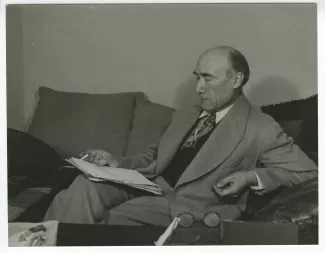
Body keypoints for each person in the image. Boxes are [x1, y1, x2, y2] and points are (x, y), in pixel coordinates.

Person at [44, 46, 317, 226]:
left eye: (208, 78)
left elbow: (308, 174)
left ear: (236, 80)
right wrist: (116, 162)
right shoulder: (190, 111)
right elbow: (155, 156)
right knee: (83, 186)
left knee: (115, 219)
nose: (198, 88)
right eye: (197, 77)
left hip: (190, 205)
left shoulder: (261, 127)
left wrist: (251, 177)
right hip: (150, 183)